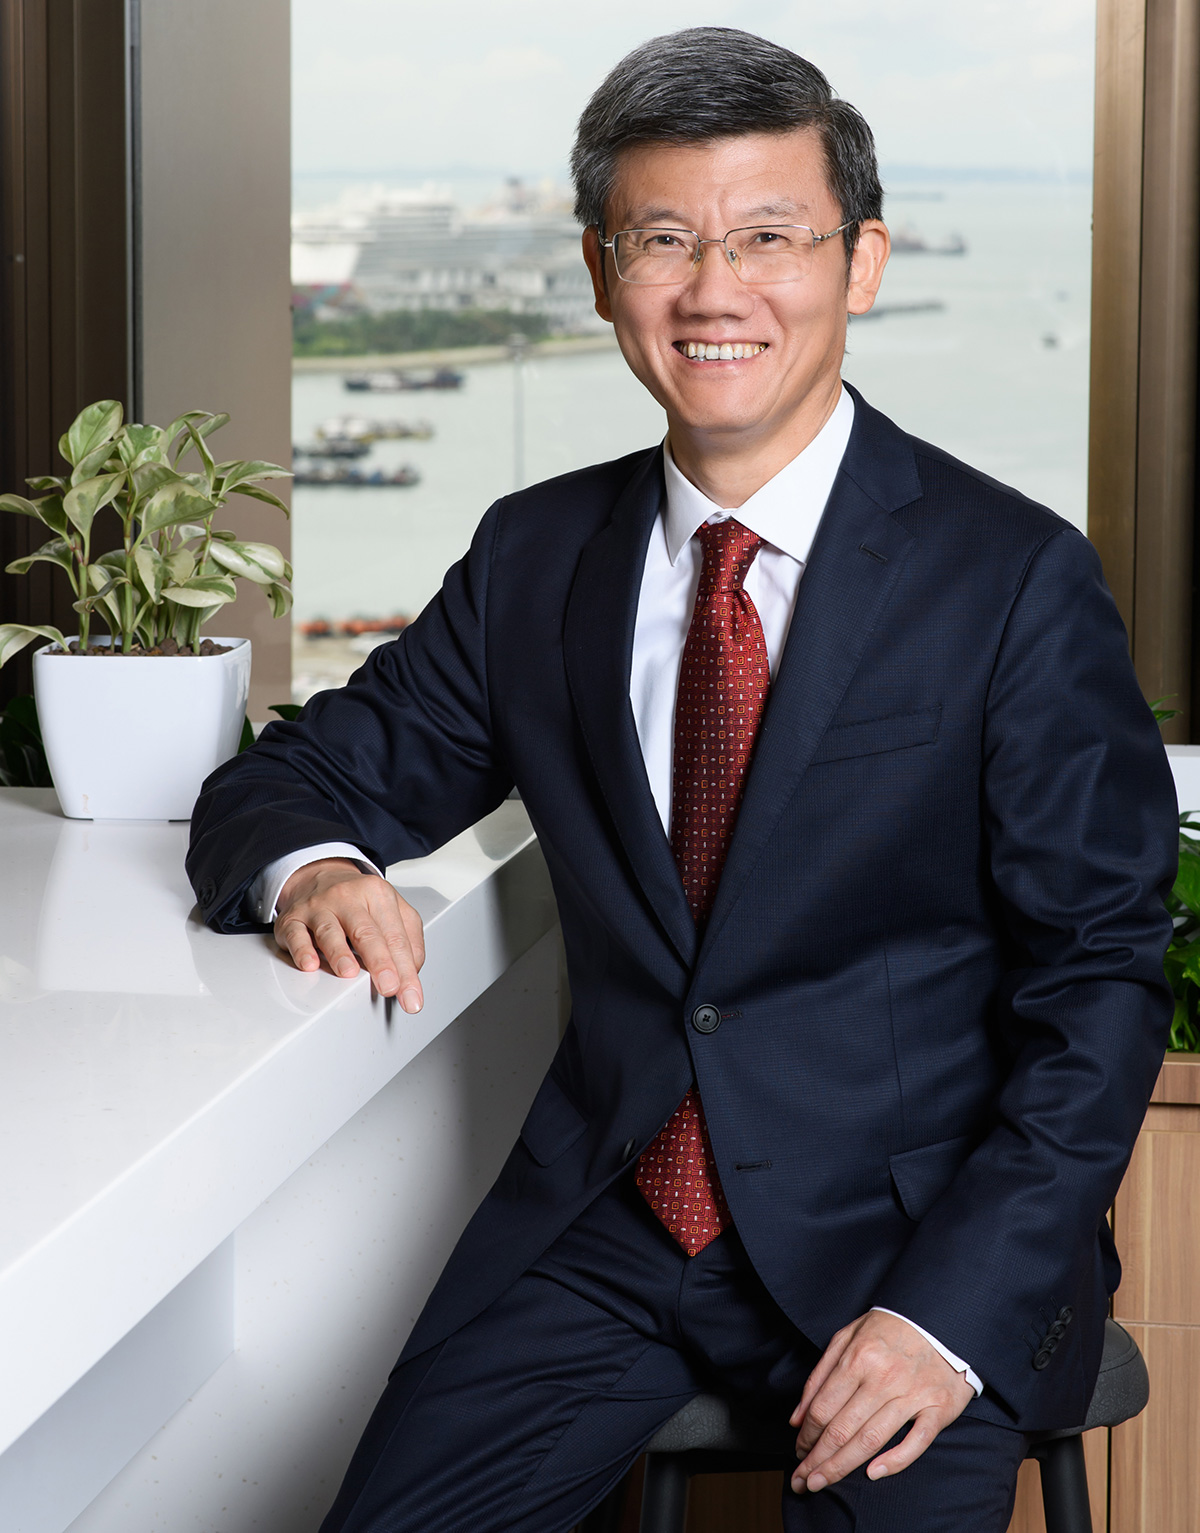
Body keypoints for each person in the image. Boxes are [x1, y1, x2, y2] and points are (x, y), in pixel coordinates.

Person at [188, 27, 1177, 1533]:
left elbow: (1099, 981)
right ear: (603, 274)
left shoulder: (1013, 577)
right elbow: (296, 775)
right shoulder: (535, 558)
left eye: (770, 236)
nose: (715, 290)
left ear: (862, 263)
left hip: (910, 1243)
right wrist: (315, 864)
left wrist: (950, 1315)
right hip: (613, 1222)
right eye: (664, 240)